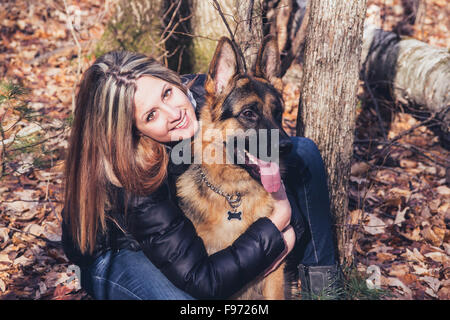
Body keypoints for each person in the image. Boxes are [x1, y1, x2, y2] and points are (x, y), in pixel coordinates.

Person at [62, 50, 339, 300]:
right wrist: (278, 226)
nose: (174, 113)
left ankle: (326, 291)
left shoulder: (208, 94)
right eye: (151, 116)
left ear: (172, 79)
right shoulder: (134, 176)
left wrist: (280, 217)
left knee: (302, 151)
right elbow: (203, 280)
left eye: (167, 93)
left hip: (169, 239)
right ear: (131, 132)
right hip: (120, 253)